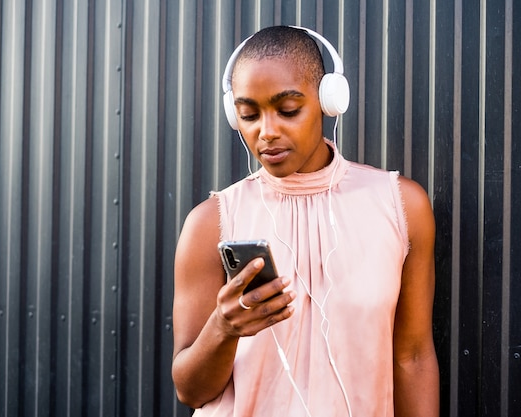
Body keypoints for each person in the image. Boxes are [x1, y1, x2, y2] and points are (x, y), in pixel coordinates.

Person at [172, 25, 439, 416]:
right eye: (248, 115)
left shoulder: (401, 205)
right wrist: (223, 328)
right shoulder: (210, 222)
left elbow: (412, 357)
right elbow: (190, 391)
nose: (267, 132)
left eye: (288, 110)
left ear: (329, 101)